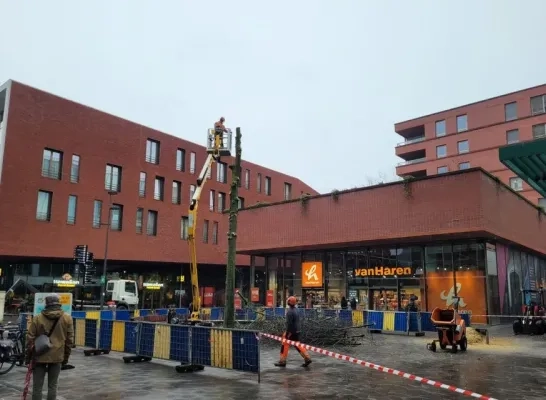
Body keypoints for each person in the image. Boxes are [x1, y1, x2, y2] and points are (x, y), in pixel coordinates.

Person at [26, 294, 74, 400]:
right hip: (57, 356)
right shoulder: (67, 318)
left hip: (39, 355)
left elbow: (30, 338)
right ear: (58, 303)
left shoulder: (38, 318)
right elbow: (69, 341)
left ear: (46, 304)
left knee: (37, 387)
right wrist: (65, 358)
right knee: (53, 386)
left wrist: (28, 357)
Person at [274, 296, 312, 367]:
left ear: (289, 302)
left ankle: (282, 361)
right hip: (297, 330)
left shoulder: (289, 312)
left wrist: (288, 333)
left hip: (291, 331)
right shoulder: (297, 310)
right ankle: (307, 358)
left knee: (284, 344)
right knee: (297, 345)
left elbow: (289, 324)